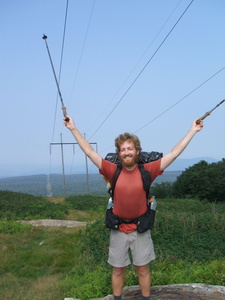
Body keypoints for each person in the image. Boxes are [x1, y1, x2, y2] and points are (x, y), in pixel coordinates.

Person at [64, 115, 203, 300]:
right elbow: (89, 152)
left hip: (140, 228)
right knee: (118, 270)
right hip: (118, 229)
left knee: (143, 270)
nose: (126, 152)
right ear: (118, 154)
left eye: (130, 149)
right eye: (122, 150)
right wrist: (73, 128)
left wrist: (192, 131)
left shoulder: (147, 171)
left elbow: (174, 153)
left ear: (137, 151)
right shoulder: (113, 170)